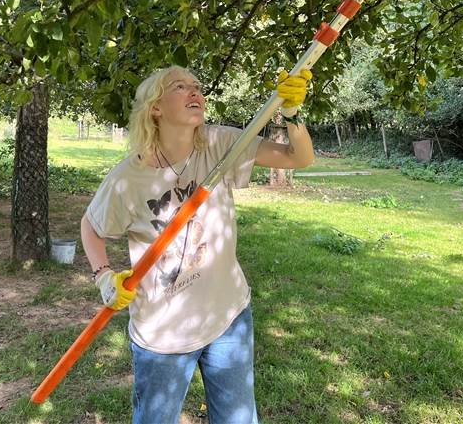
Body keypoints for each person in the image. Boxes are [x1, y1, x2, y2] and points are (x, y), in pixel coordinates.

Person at [81, 66, 315, 424]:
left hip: (228, 317)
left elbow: (299, 158)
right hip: (163, 334)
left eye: (197, 87)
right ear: (155, 108)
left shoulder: (219, 144)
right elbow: (91, 226)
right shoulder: (128, 178)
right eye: (180, 87)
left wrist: (293, 115)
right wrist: (103, 276)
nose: (195, 93)